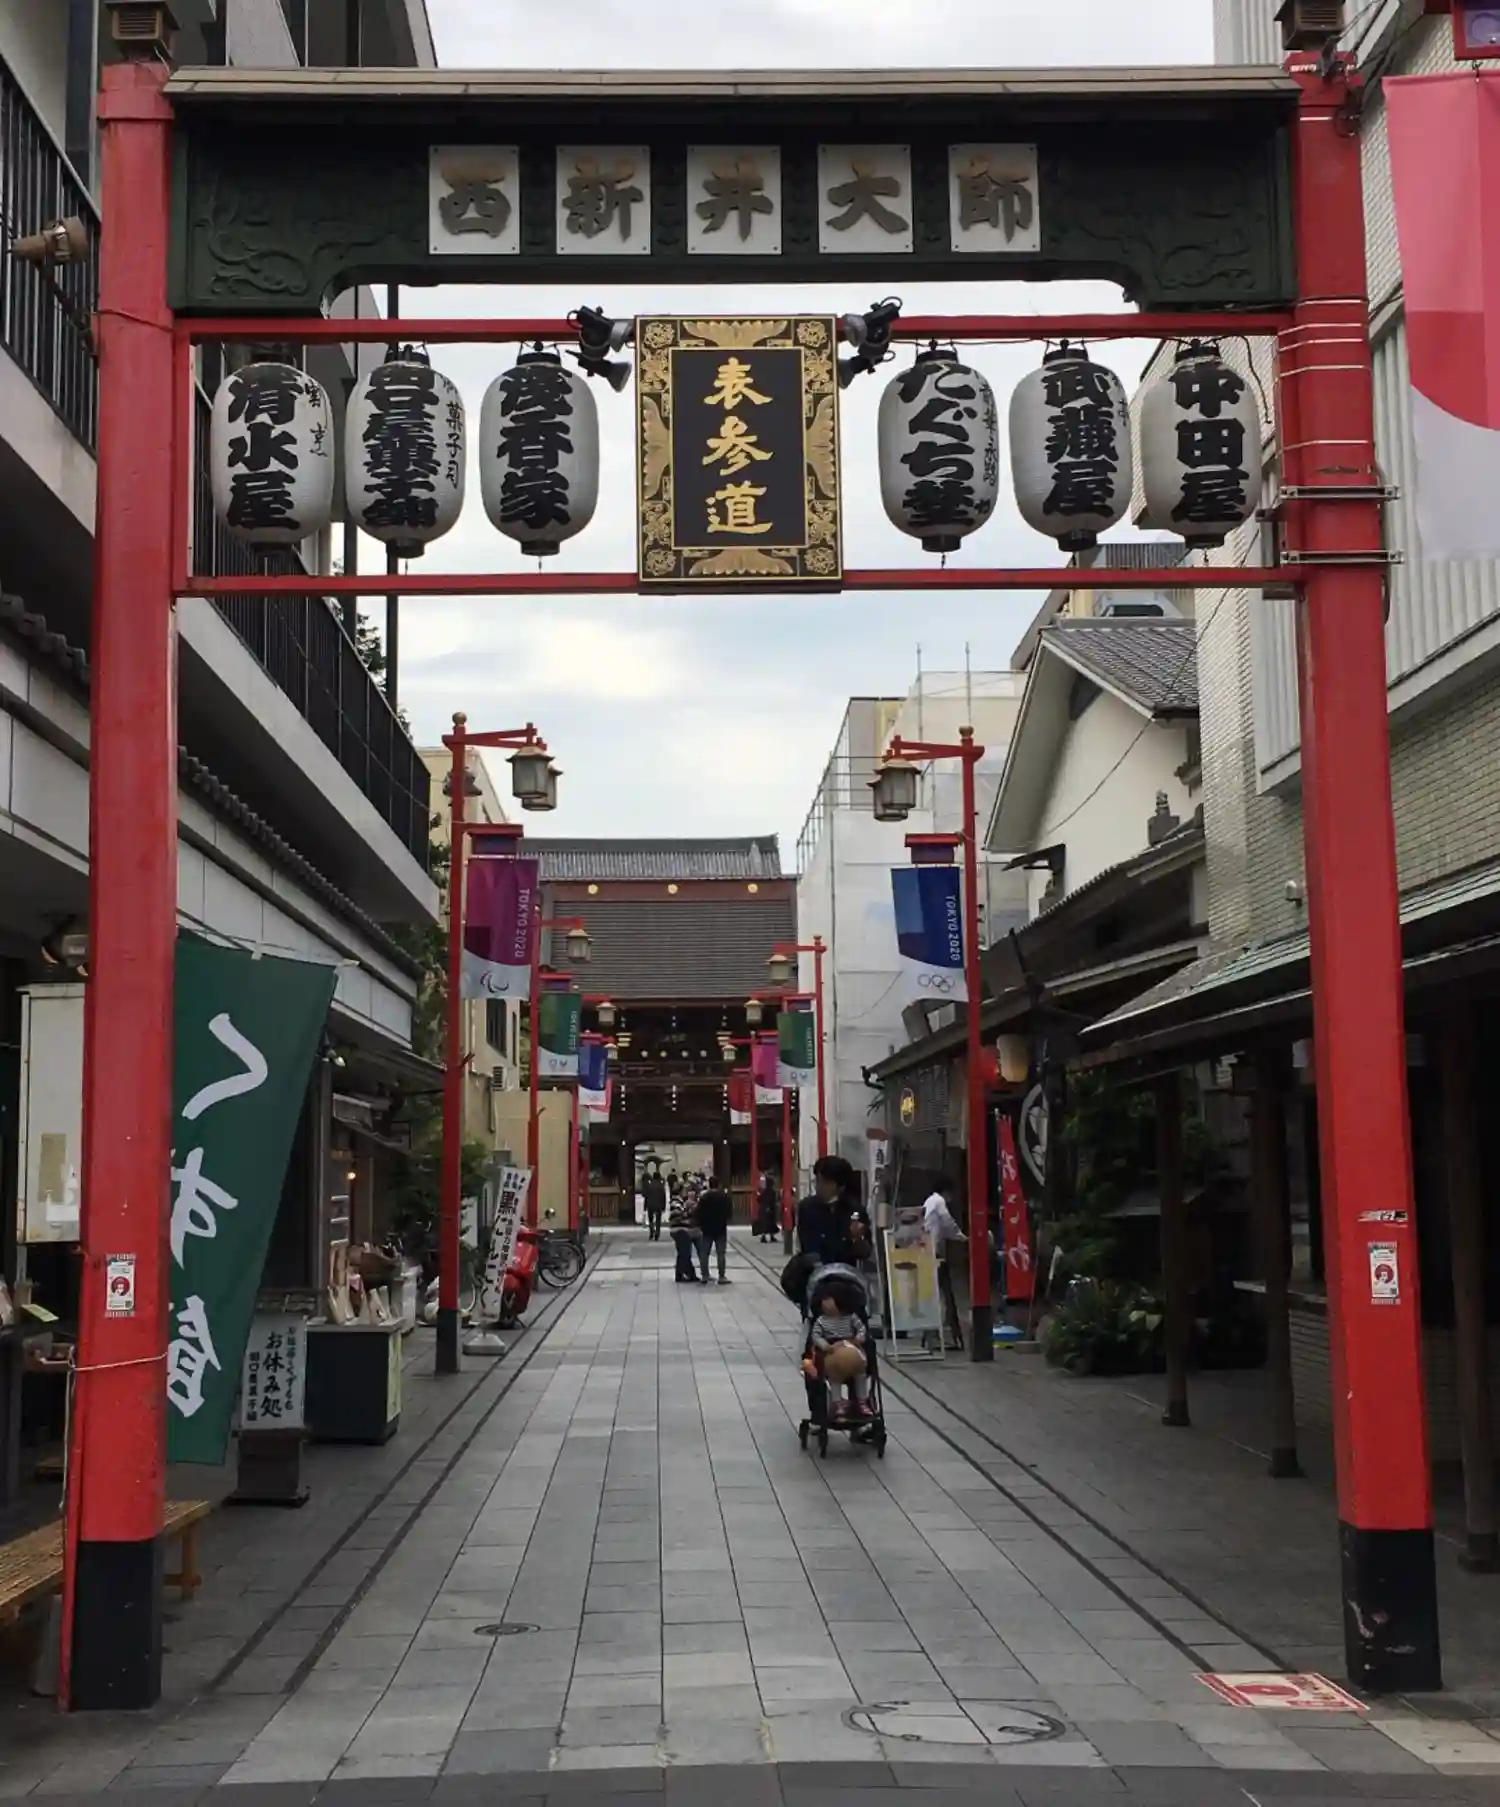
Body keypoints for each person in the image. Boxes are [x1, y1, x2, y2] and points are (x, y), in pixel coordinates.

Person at [806, 1280, 872, 1418]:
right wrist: (824, 1345)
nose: (824, 1303)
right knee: (834, 1377)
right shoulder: (822, 1320)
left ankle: (862, 1401)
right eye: (823, 1300)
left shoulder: (851, 1318)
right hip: (832, 1352)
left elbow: (861, 1329)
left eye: (828, 1300)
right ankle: (837, 1403)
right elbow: (816, 1335)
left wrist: (859, 1339)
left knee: (861, 1375)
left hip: (851, 1348)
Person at [796, 1155, 872, 1269]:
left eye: (826, 1183)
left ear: (841, 1186)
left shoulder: (855, 1210)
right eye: (818, 1181)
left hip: (845, 1273)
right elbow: (806, 1247)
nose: (819, 1187)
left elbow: (865, 1253)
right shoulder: (807, 1208)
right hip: (814, 1272)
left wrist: (857, 1238)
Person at [923, 1179, 967, 1352]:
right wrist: (961, 1236)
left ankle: (932, 1334)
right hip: (935, 1252)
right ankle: (948, 1332)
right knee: (945, 1293)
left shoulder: (929, 1201)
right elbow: (947, 1222)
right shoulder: (939, 1201)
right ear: (946, 1191)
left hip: (927, 1251)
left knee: (935, 1292)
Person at [695, 1177, 733, 1284]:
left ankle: (705, 1275)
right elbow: (728, 1213)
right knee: (720, 1253)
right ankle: (721, 1276)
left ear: (709, 1184)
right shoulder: (724, 1197)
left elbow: (698, 1212)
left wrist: (701, 1224)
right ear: (719, 1184)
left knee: (704, 1253)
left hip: (707, 1228)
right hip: (720, 1228)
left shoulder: (704, 1197)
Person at [668, 1186, 703, 1282]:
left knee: (684, 1253)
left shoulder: (681, 1201)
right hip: (679, 1230)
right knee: (684, 1253)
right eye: (686, 1190)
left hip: (682, 1229)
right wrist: (690, 1212)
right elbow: (678, 1215)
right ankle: (681, 1274)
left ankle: (689, 1274)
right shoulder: (676, 1201)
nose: (687, 1193)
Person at [642, 1165, 666, 1242]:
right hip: (658, 1205)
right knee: (658, 1220)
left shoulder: (649, 1186)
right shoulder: (661, 1186)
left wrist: (645, 1206)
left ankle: (651, 1232)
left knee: (651, 1220)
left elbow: (646, 1196)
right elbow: (663, 1197)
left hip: (650, 1205)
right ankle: (657, 1234)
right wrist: (664, 1206)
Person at [754, 1173, 780, 1242]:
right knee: (770, 1223)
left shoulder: (764, 1191)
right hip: (770, 1208)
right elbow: (773, 1200)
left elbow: (759, 1199)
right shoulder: (772, 1191)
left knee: (764, 1223)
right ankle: (771, 1236)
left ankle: (764, 1236)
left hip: (764, 1208)